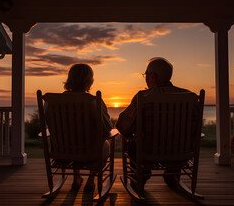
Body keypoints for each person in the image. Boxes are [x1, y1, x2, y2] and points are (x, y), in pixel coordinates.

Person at [115, 57, 192, 189]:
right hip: (181, 152)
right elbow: (194, 129)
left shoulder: (143, 97)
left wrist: (133, 132)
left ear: (153, 77)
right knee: (174, 140)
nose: (145, 78)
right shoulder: (190, 96)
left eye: (145, 75)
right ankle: (172, 174)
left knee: (134, 143)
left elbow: (122, 127)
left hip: (148, 152)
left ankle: (139, 180)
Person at [61, 63, 113, 190]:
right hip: (90, 152)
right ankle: (91, 180)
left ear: (69, 79)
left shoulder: (52, 101)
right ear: (90, 81)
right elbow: (107, 129)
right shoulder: (94, 101)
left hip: (63, 151)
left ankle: (76, 178)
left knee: (72, 139)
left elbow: (48, 123)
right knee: (104, 143)